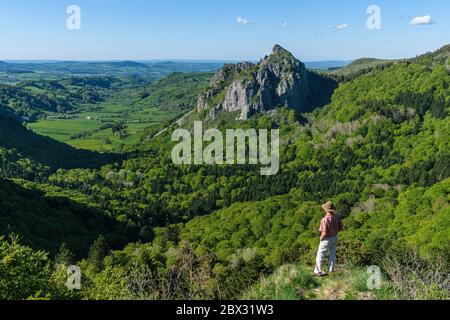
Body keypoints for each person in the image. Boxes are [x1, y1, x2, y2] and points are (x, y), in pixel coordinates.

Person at [313, 201, 343, 276]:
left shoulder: (324, 219)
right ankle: (330, 270)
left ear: (326, 210)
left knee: (320, 255)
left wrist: (321, 239)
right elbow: (341, 228)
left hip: (326, 239)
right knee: (332, 255)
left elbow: (324, 233)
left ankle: (318, 271)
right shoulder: (337, 217)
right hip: (335, 237)